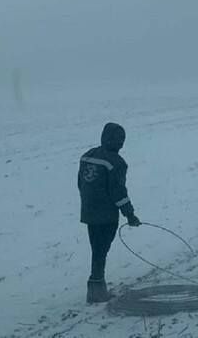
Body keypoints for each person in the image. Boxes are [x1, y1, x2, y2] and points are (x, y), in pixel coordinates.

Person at [78, 122, 141, 303]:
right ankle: (96, 289)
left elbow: (80, 183)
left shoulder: (87, 156)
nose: (121, 144)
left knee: (96, 248)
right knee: (101, 251)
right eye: (120, 140)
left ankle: (96, 285)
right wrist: (130, 214)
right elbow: (118, 192)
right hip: (105, 215)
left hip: (89, 211)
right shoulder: (116, 163)